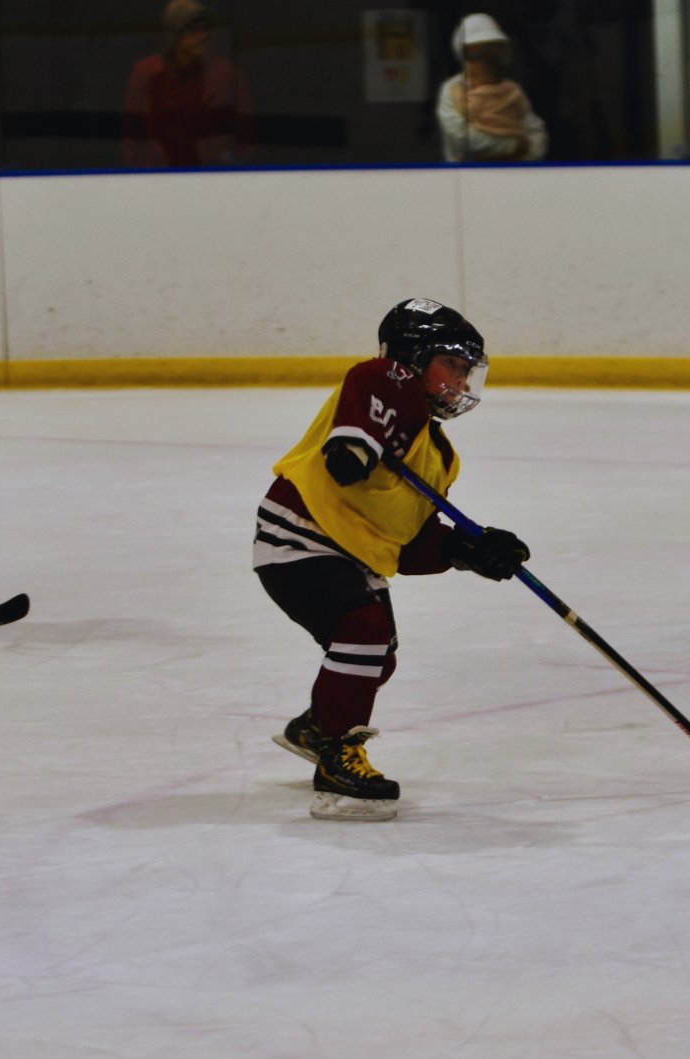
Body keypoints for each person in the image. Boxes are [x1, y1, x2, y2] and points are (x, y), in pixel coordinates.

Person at [253, 298, 530, 821]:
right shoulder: (385, 379)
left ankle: (316, 727)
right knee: (362, 631)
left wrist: (470, 550)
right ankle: (337, 756)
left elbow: (411, 550)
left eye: (468, 370)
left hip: (352, 555)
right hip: (299, 537)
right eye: (452, 364)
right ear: (412, 356)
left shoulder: (441, 457)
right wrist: (355, 448)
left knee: (380, 657)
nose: (463, 381)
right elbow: (353, 440)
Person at [122, 0, 253, 168]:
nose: (203, 36)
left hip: (212, 177)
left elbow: (245, 135)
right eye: (194, 30)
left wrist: (226, 171)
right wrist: (144, 174)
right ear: (175, 34)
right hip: (158, 178)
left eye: (206, 29)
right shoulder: (146, 74)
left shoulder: (226, 74)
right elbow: (132, 134)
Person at [436, 13, 548, 163]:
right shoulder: (452, 90)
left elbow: (537, 134)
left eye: (492, 53)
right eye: (477, 55)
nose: (486, 62)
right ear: (464, 55)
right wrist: (513, 146)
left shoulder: (512, 90)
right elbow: (462, 138)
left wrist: (523, 157)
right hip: (468, 178)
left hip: (513, 176)